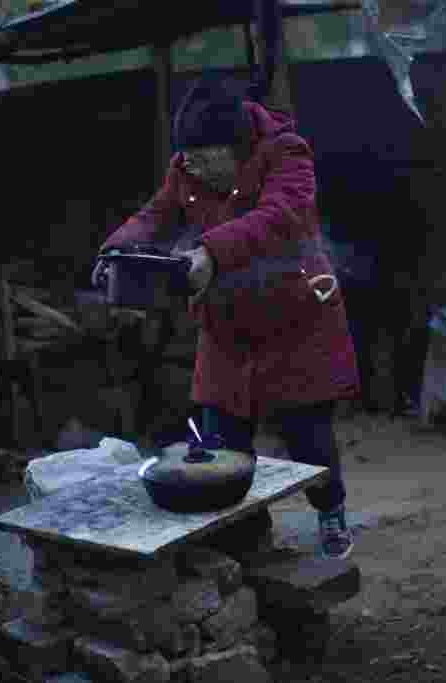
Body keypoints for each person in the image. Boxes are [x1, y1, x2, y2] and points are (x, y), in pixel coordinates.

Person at [96, 77, 360, 559]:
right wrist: (116, 252)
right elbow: (153, 217)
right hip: (227, 331)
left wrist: (210, 252)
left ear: (230, 149)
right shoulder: (186, 169)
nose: (186, 165)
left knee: (309, 441)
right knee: (219, 445)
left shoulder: (288, 155)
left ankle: (331, 511)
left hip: (295, 324)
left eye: (198, 155)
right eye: (184, 156)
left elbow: (280, 216)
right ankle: (246, 540)